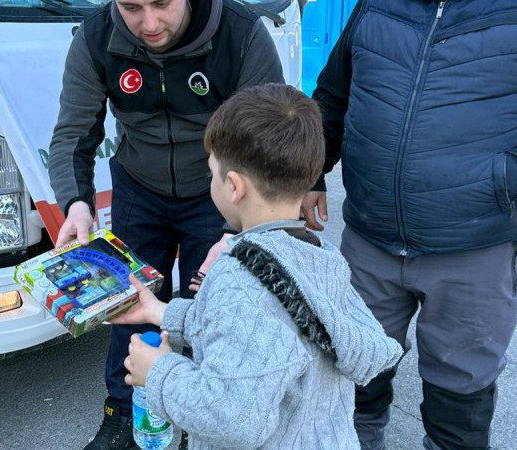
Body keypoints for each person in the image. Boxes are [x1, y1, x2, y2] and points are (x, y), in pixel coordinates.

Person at [302, 1, 517, 449]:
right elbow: (334, 94)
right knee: (354, 375)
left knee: (459, 395)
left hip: (476, 245)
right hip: (370, 237)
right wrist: (313, 171)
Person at [111, 83, 403, 450]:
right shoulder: (319, 255)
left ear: (234, 187)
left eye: (211, 171)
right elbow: (263, 329)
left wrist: (158, 374)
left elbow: (233, 421)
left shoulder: (239, 278)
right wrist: (161, 312)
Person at [46, 0, 284, 448]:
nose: (149, 24)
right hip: (138, 187)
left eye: (161, 4)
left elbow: (265, 146)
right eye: (132, 7)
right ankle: (123, 415)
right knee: (126, 304)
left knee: (210, 314)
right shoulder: (95, 36)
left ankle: (202, 427)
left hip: (219, 197)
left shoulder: (242, 34)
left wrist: (238, 233)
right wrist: (76, 204)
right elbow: (73, 133)